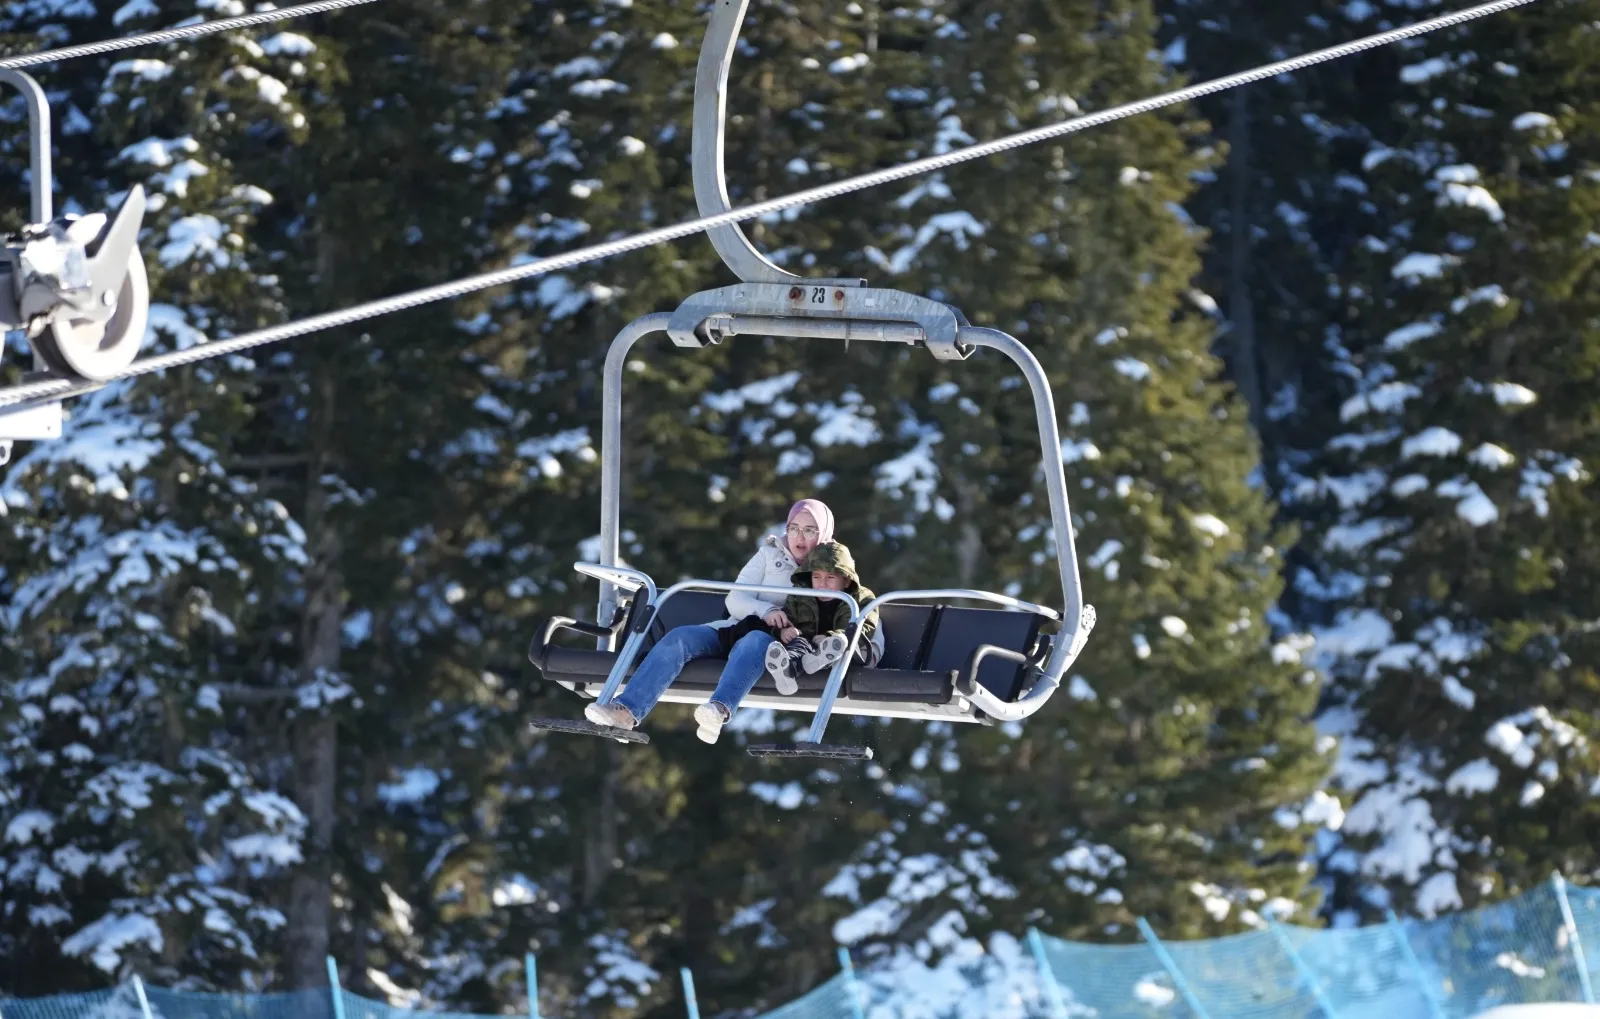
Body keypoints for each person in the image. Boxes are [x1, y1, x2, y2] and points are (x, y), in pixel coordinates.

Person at [583, 499, 885, 744]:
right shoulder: (769, 556)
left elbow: (853, 606)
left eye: (809, 530)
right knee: (681, 638)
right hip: (736, 627)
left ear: (824, 534)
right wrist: (766, 610)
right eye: (793, 528)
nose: (799, 537)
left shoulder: (829, 570)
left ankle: (719, 709)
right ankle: (627, 710)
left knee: (754, 642)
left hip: (773, 644)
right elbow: (735, 600)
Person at [715, 540, 880, 693]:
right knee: (799, 643)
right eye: (817, 577)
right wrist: (784, 631)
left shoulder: (860, 598)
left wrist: (831, 637)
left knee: (841, 643)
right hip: (807, 641)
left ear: (846, 581)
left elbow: (864, 625)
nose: (822, 584)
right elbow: (789, 615)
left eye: (830, 577)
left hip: (844, 644)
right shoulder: (801, 594)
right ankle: (788, 669)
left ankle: (825, 653)